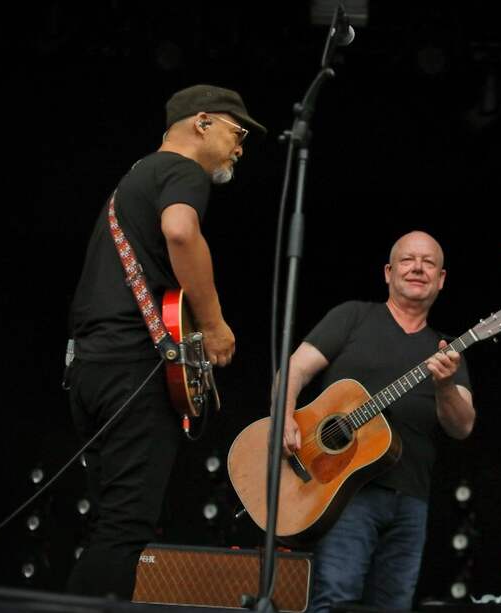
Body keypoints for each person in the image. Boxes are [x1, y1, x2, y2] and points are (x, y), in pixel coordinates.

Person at [66, 84, 265, 598]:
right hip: (133, 368)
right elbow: (180, 231)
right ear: (202, 122)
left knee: (106, 527)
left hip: (89, 367)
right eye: (237, 132)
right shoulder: (182, 170)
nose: (240, 147)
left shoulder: (133, 180)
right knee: (125, 529)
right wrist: (215, 324)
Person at [282, 231, 475, 613]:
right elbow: (293, 370)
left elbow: (463, 426)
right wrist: (285, 416)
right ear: (388, 272)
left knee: (394, 606)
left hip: (412, 501)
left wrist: (446, 386)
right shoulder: (352, 317)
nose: (417, 267)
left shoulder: (448, 351)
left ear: (441, 280)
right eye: (407, 260)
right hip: (344, 493)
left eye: (428, 262)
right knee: (334, 601)